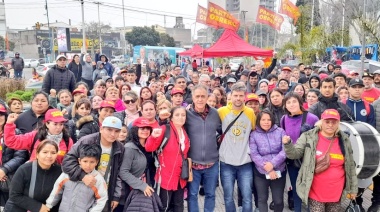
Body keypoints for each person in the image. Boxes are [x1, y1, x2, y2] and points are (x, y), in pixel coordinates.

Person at [283, 109, 358, 211]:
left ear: (338, 124)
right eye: (327, 122)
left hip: (336, 193)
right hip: (316, 191)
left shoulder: (344, 139)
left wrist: (353, 189)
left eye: (334, 122)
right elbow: (294, 154)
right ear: (321, 122)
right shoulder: (308, 136)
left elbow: (350, 166)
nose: (330, 125)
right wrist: (288, 144)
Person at [62, 116, 125, 211]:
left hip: (104, 193)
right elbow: (67, 161)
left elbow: (118, 173)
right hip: (83, 189)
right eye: (109, 130)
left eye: (117, 131)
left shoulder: (120, 148)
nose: (113, 134)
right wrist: (82, 176)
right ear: (101, 129)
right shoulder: (86, 141)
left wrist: (116, 196)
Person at [218, 83, 256, 212]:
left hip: (245, 162)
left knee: (247, 197)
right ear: (230, 96)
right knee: (228, 197)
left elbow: (255, 132)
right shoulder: (222, 111)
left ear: (244, 97)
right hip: (226, 162)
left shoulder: (250, 112)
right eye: (235, 96)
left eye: (241, 96)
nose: (238, 98)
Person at [280, 92, 319, 212]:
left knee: (309, 188)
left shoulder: (312, 118)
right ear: (285, 106)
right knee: (296, 187)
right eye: (288, 102)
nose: (291, 105)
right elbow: (284, 136)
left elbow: (318, 138)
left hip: (308, 160)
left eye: (294, 101)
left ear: (300, 102)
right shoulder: (284, 119)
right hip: (293, 160)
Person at [146, 107, 190, 211]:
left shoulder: (184, 131)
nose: (180, 117)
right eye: (177, 115)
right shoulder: (165, 129)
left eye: (183, 115)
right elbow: (149, 147)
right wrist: (152, 137)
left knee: (179, 206)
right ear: (171, 117)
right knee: (164, 207)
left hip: (180, 177)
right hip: (166, 176)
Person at [185, 85, 221, 212]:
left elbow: (222, 131)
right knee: (192, 195)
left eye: (203, 96)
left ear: (207, 97)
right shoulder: (186, 114)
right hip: (193, 164)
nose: (200, 99)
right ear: (193, 98)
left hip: (212, 163)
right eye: (197, 96)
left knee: (210, 194)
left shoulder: (215, 114)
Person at [4, 140, 62, 212]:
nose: (49, 156)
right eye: (45, 152)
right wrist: (38, 207)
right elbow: (14, 195)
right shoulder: (24, 169)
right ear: (37, 154)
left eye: (53, 153)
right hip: (18, 209)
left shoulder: (59, 172)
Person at [45, 144, 107, 211]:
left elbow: (101, 199)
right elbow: (57, 189)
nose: (88, 165)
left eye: (92, 162)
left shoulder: (98, 180)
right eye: (85, 161)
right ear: (79, 161)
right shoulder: (68, 174)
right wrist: (49, 205)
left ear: (97, 162)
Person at [249, 109, 287, 212]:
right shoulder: (254, 134)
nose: (266, 122)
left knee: (278, 200)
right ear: (258, 121)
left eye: (269, 120)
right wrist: (268, 169)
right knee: (262, 199)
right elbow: (254, 154)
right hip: (261, 172)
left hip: (279, 170)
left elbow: (285, 151)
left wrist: (273, 164)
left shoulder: (280, 132)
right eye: (263, 120)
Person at [5, 108, 73, 164]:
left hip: (56, 176)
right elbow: (11, 142)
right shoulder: (35, 136)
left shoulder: (67, 140)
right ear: (47, 124)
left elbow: (70, 161)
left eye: (61, 124)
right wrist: (9, 124)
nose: (58, 127)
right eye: (55, 124)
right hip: (35, 174)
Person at [119, 117, 156, 201]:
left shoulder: (150, 146)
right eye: (142, 128)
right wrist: (142, 185)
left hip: (146, 186)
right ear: (135, 130)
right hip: (130, 190)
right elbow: (123, 172)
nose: (145, 130)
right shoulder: (129, 148)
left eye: (148, 128)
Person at [0, 103, 28, 206]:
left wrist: (4, 170)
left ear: (6, 116)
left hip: (10, 178)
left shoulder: (16, 132)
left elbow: (20, 156)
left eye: (1, 114)